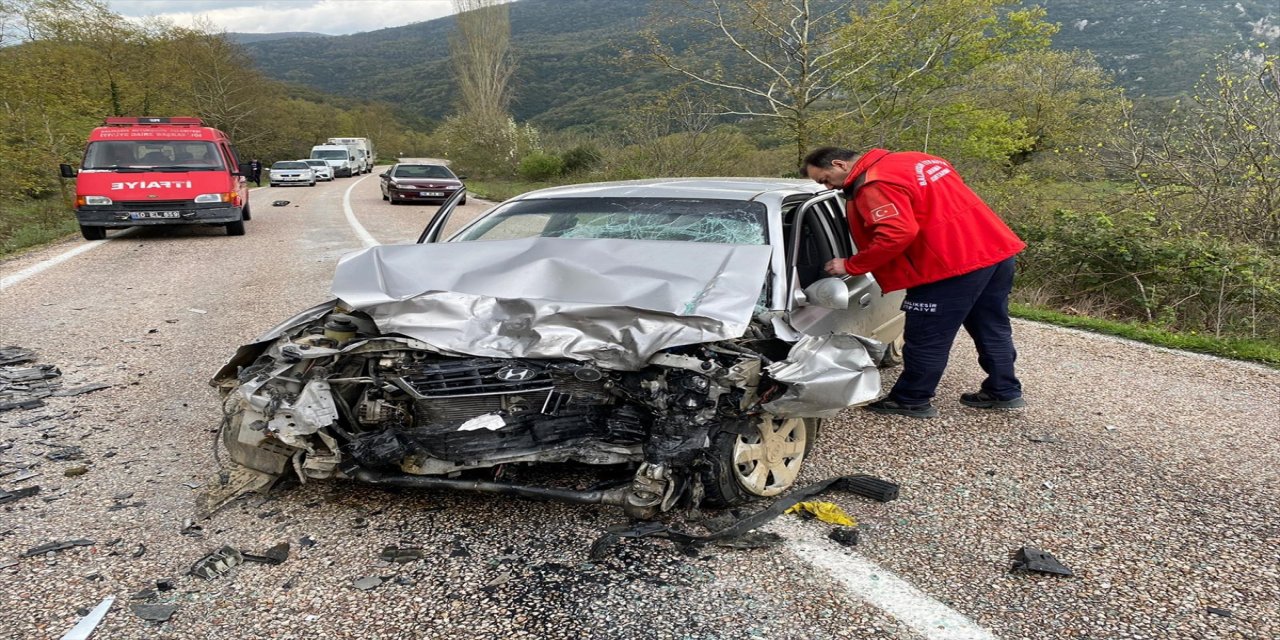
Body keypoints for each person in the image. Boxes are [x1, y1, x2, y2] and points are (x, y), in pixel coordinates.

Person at [802, 146, 1027, 418]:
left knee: (926, 337)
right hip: (993, 250)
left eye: (825, 179)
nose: (829, 187)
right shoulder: (916, 159)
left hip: (948, 266)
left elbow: (896, 235)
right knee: (991, 325)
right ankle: (1004, 391)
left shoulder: (874, 184)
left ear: (839, 164)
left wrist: (851, 265)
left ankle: (911, 399)